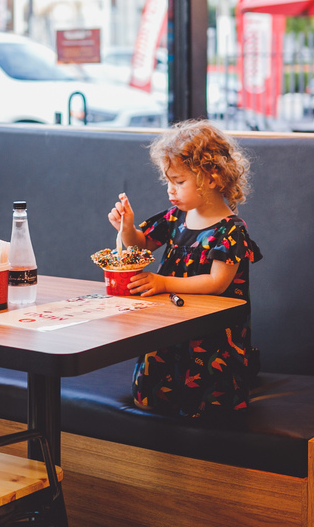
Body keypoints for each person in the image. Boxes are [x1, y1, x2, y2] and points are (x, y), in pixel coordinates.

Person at [108, 120, 261, 418]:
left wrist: (164, 283)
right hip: (169, 326)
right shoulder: (177, 217)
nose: (170, 190)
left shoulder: (231, 230)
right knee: (147, 395)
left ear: (212, 177)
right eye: (168, 181)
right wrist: (127, 227)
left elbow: (217, 282)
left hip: (211, 337)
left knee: (203, 403)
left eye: (179, 182)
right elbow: (141, 244)